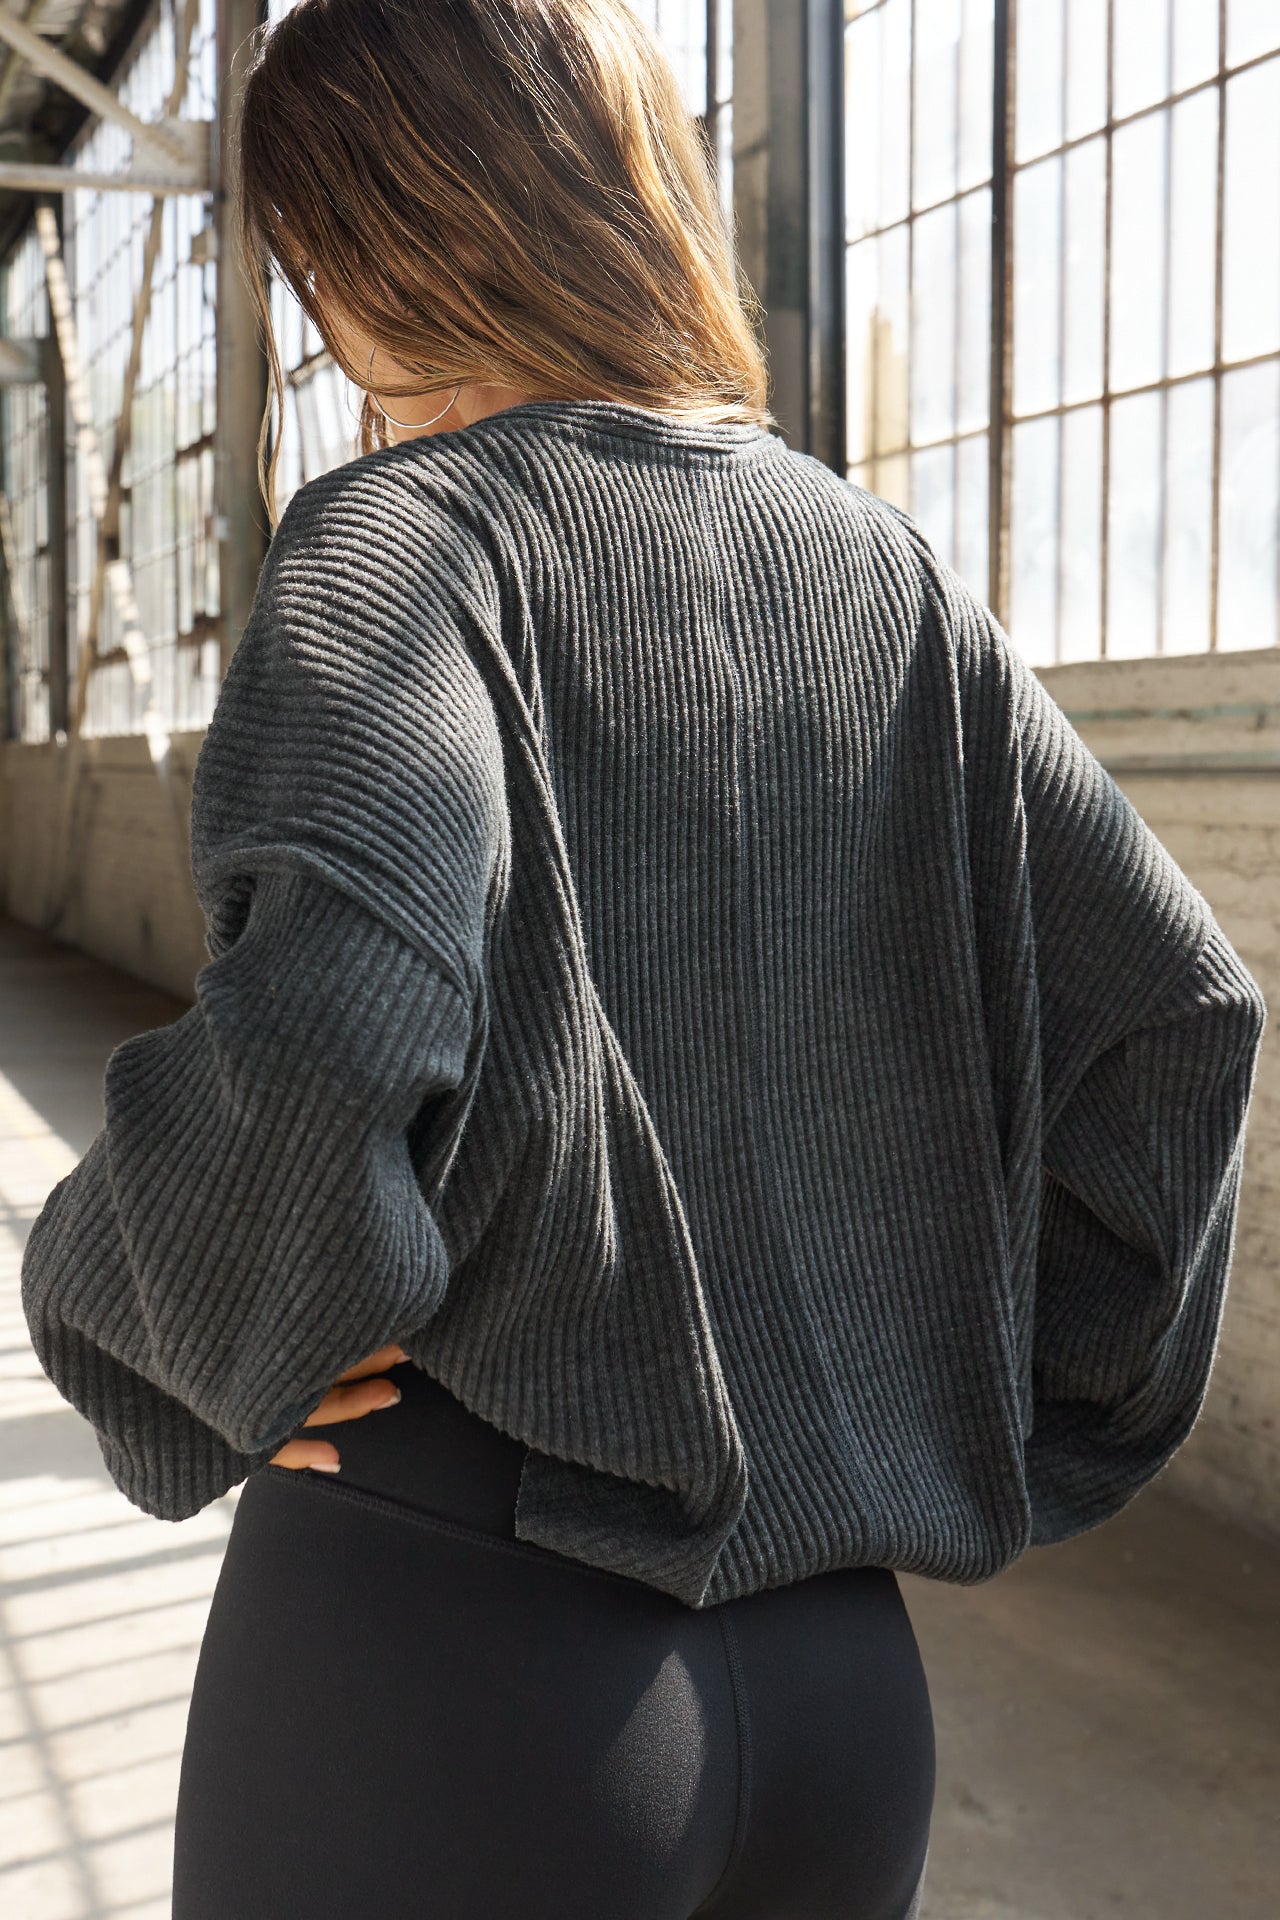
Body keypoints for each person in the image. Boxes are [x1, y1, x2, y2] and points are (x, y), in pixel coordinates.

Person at [18, 3, 1265, 1918]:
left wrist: (138, 1306)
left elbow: (339, 1011)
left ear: (371, 240)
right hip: (847, 1693)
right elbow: (1179, 1017)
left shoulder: (399, 550)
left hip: (455, 1670)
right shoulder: (882, 571)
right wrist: (990, 1410)